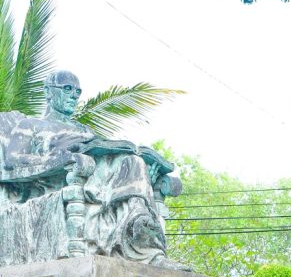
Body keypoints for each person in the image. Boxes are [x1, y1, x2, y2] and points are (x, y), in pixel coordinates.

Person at [0, 70, 180, 266]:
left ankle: (144, 239)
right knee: (130, 164)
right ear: (48, 92)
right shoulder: (31, 125)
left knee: (134, 162)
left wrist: (147, 177)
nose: (73, 96)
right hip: (62, 178)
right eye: (67, 89)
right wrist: (57, 159)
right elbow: (12, 161)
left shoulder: (84, 130)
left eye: (78, 92)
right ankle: (143, 246)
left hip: (98, 174)